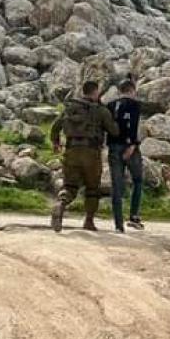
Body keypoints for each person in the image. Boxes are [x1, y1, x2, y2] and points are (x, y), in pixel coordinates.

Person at [49, 79, 120, 233]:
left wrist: (56, 143)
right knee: (92, 188)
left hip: (71, 151)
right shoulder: (100, 110)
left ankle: (60, 204)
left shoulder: (70, 108)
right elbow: (114, 131)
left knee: (70, 186)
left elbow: (55, 127)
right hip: (91, 152)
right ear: (95, 92)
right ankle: (89, 221)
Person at [106, 77, 144, 233]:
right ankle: (134, 215)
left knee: (117, 185)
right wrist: (132, 145)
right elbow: (133, 126)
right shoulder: (135, 105)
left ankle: (118, 224)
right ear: (131, 90)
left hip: (113, 146)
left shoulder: (110, 105)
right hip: (130, 147)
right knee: (138, 180)